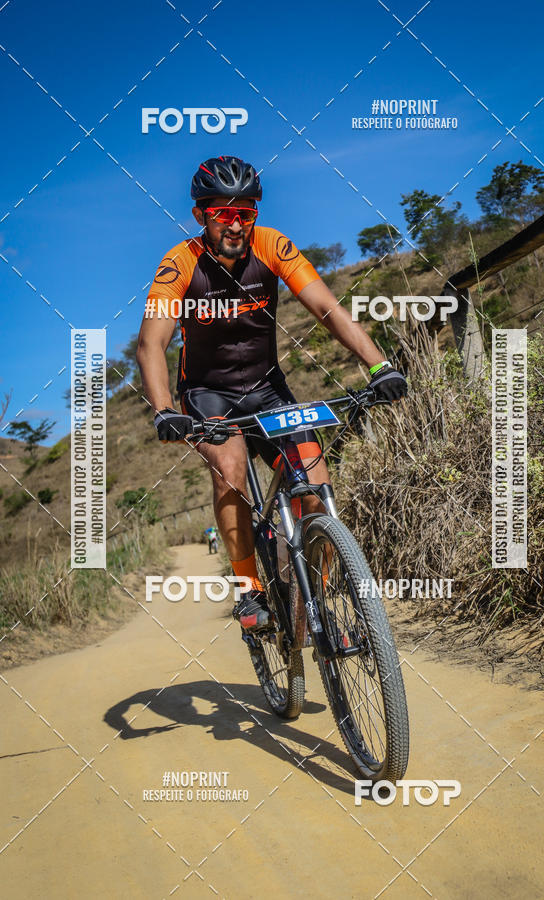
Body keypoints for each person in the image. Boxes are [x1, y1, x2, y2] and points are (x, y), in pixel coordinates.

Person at [137, 156, 407, 632]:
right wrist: (162, 411)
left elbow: (325, 307)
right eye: (223, 213)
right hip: (207, 394)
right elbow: (152, 343)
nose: (236, 225)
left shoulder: (272, 245)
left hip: (267, 389)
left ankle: (315, 599)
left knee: (316, 486)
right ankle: (248, 589)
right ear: (201, 215)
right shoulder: (179, 263)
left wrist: (379, 365)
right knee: (231, 470)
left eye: (246, 212)